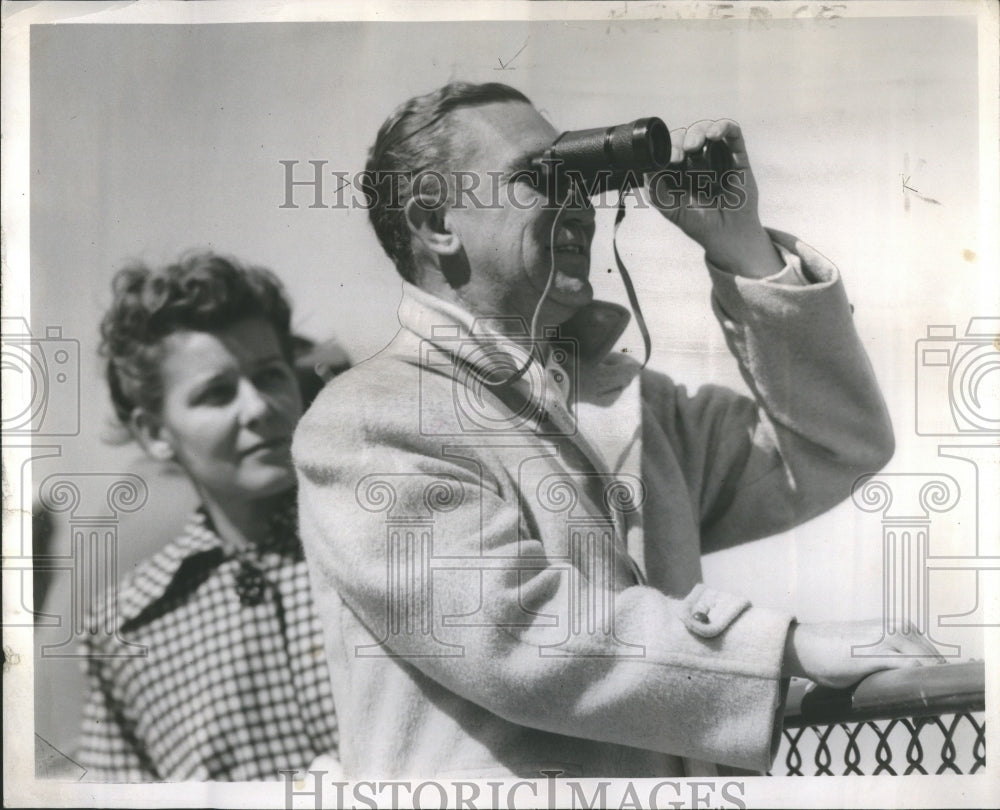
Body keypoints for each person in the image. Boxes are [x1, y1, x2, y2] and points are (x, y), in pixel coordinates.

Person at [293, 82, 942, 779]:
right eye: (539, 177)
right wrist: (781, 647)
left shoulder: (633, 409)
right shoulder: (370, 419)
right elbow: (515, 635)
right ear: (436, 222)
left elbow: (837, 448)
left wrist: (743, 248)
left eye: (581, 176)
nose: (577, 204)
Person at [78, 253, 341, 781]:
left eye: (270, 375)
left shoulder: (377, 541)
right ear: (154, 432)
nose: (259, 407)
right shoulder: (126, 631)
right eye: (216, 393)